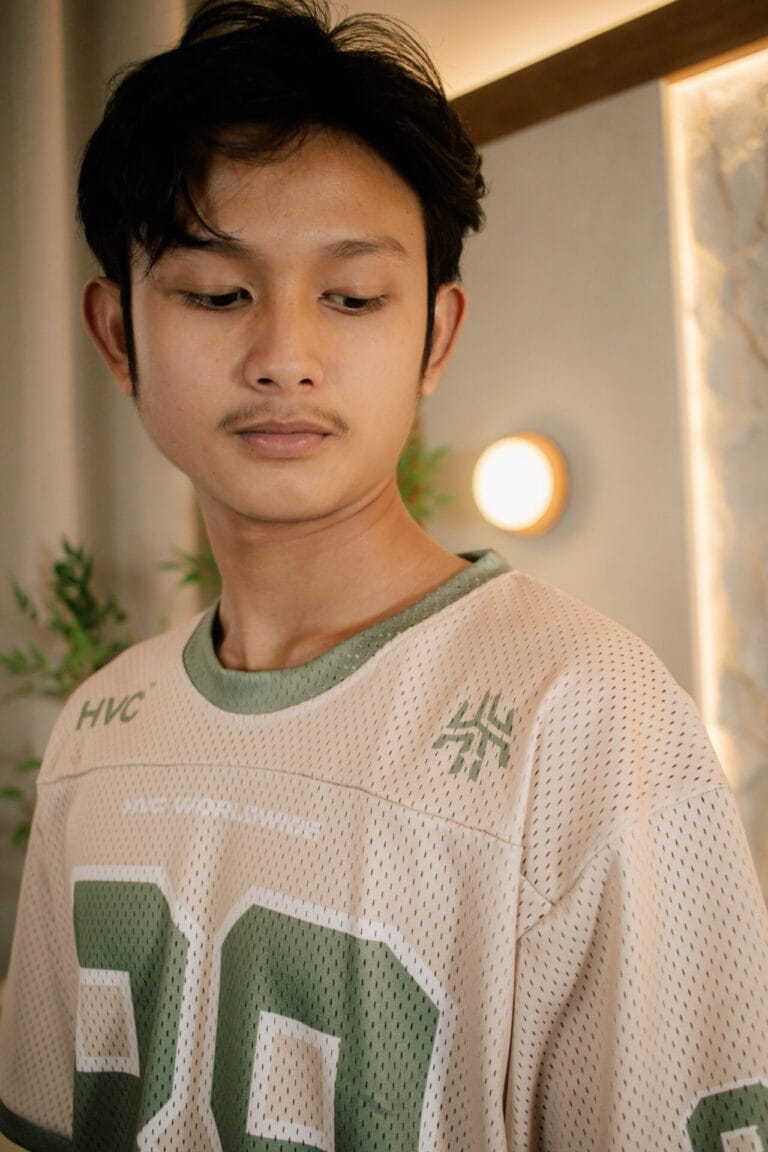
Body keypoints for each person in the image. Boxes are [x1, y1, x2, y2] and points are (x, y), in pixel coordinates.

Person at [1, 0, 767, 1148]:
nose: (284, 358)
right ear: (118, 336)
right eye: (216, 293)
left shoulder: (586, 715)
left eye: (352, 298)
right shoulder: (95, 731)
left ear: (436, 337)